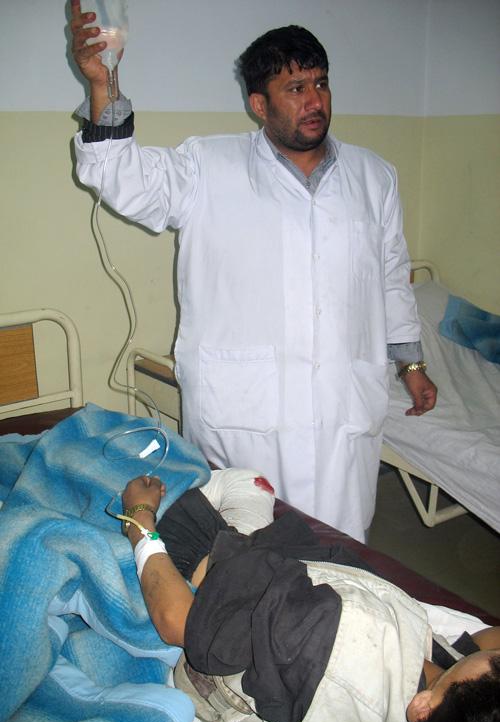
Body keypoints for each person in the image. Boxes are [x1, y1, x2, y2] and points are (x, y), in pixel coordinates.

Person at [70, 2, 437, 542]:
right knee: (244, 559)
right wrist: (104, 85)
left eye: (321, 84)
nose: (314, 101)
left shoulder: (374, 176)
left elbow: (389, 273)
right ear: (259, 104)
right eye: (296, 89)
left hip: (343, 408)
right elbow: (123, 178)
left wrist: (410, 363)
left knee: (339, 555)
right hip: (244, 414)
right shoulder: (206, 166)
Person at [121, 474, 500, 722]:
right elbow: (479, 648)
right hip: (286, 578)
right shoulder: (446, 717)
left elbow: (177, 622)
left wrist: (139, 518)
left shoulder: (325, 644)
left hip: (208, 568)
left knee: (246, 482)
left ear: (422, 708)